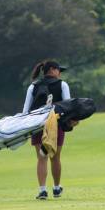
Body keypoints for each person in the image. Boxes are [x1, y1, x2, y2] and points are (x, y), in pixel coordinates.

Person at [23, 60, 73, 200]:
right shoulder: (62, 85)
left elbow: (25, 111)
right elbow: (68, 107)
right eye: (59, 70)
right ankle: (56, 189)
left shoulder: (33, 87)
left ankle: (42, 190)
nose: (59, 73)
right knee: (55, 157)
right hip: (56, 125)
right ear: (52, 70)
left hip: (37, 125)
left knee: (41, 158)